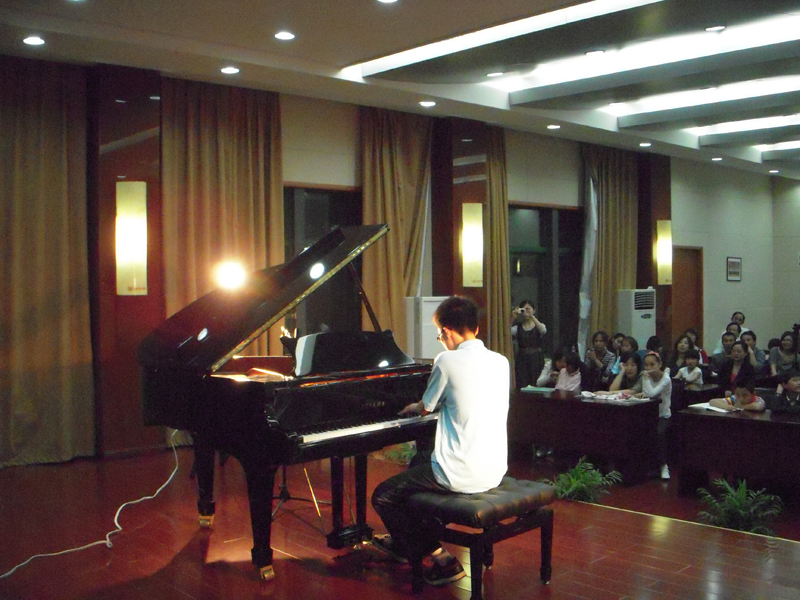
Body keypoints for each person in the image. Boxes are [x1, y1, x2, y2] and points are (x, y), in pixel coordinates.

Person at [371, 296, 509, 587]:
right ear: (476, 328)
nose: (441, 341)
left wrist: (411, 407)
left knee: (383, 495)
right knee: (418, 462)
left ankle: (440, 556)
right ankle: (405, 539)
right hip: (494, 469)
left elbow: (426, 407)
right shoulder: (501, 361)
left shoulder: (446, 360)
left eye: (439, 335)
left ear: (446, 331)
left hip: (459, 471)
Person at [634, 352, 672, 480]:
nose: (648, 368)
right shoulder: (647, 376)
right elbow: (646, 393)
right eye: (646, 365)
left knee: (659, 432)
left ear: (660, 364)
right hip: (649, 414)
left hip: (663, 415)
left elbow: (651, 393)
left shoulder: (666, 378)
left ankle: (664, 466)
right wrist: (641, 394)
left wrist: (645, 379)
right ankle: (644, 466)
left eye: (652, 364)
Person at [511, 300, 547, 389]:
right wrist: (513, 318)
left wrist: (531, 316)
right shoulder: (517, 327)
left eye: (529, 309)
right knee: (522, 383)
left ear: (534, 310)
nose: (526, 311)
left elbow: (543, 330)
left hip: (536, 359)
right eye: (524, 309)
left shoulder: (538, 325)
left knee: (536, 382)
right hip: (522, 359)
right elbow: (506, 332)